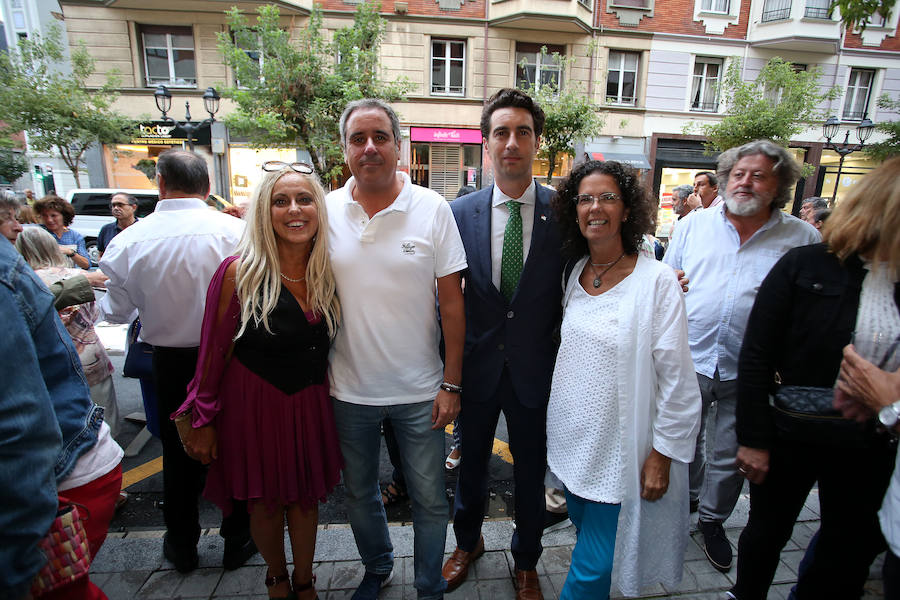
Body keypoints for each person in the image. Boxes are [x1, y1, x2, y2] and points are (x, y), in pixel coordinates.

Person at [729, 157, 900, 600]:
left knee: (847, 547)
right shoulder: (806, 264)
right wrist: (753, 439)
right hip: (792, 435)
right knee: (766, 534)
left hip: (872, 443)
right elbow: (756, 356)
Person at [176, 162, 343, 600]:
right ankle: (277, 579)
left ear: (318, 209)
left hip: (309, 401)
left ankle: (305, 581)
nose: (294, 210)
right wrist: (204, 416)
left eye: (305, 199)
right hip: (254, 404)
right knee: (265, 501)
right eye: (280, 200)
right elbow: (212, 353)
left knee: (305, 499)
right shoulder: (239, 272)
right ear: (263, 212)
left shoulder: (327, 269)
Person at [326, 98, 466, 600]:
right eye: (358, 139)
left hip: (420, 391)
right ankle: (377, 567)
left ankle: (428, 583)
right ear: (345, 150)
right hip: (347, 390)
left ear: (398, 146)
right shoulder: (324, 211)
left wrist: (452, 384)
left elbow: (452, 306)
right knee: (360, 493)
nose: (369, 148)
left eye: (380, 137)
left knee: (430, 498)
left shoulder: (431, 208)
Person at [663, 139, 820, 572]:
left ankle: (712, 521)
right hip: (689, 355)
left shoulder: (801, 237)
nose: (746, 182)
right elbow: (668, 281)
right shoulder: (694, 225)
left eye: (759, 175)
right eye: (738, 173)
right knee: (683, 443)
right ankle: (685, 506)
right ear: (726, 177)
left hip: (753, 369)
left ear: (780, 185)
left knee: (732, 453)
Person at [546, 160, 700, 598]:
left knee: (593, 566)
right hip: (571, 440)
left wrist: (662, 455)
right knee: (586, 543)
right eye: (586, 199)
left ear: (628, 209)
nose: (596, 207)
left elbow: (678, 383)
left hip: (620, 453)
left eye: (608, 197)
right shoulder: (574, 273)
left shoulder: (658, 283)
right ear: (574, 211)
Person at [99, 149, 255, 573]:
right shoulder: (236, 232)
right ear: (208, 187)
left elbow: (114, 313)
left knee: (177, 449)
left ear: (161, 185)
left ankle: (182, 543)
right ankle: (238, 538)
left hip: (168, 360)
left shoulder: (129, 240)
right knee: (233, 447)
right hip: (230, 358)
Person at [444, 88, 564, 600]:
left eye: (523, 132)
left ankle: (528, 558)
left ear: (538, 142)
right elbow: (441, 295)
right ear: (486, 142)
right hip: (475, 369)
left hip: (537, 370)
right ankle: (466, 543)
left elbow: (602, 265)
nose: (512, 142)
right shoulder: (458, 212)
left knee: (532, 469)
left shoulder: (565, 212)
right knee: (469, 464)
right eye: (501, 132)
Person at [0, 238, 123, 600]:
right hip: (85, 377)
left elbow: (18, 428)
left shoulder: (18, 277)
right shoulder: (58, 275)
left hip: (62, 462)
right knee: (108, 415)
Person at [16, 226, 120, 436]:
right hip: (90, 355)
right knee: (104, 415)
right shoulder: (79, 276)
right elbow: (94, 314)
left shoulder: (24, 283)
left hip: (49, 360)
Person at [33, 194, 90, 269]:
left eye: (53, 215)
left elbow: (86, 265)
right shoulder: (37, 233)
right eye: (44, 215)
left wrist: (70, 252)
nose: (49, 220)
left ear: (64, 216)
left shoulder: (75, 236)